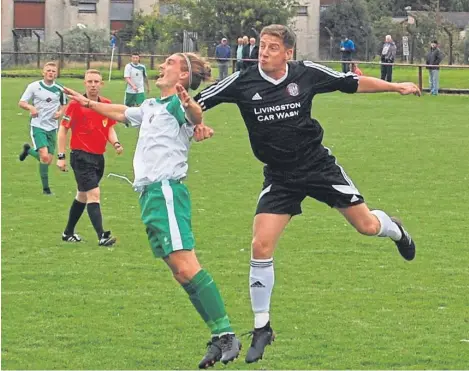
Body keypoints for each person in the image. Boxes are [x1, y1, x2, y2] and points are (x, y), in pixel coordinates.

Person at [194, 24, 419, 363]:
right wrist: (196, 121)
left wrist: (396, 86)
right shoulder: (243, 81)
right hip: (281, 177)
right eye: (262, 46)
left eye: (272, 47)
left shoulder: (306, 73)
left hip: (317, 167)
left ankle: (396, 229)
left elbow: (352, 83)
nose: (264, 52)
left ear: (288, 53)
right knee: (260, 245)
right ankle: (262, 326)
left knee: (367, 227)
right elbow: (198, 102)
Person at [63, 53, 241, 369]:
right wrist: (89, 104)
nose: (161, 66)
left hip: (166, 192)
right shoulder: (151, 107)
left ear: (183, 75)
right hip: (149, 196)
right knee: (178, 270)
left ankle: (226, 332)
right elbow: (120, 111)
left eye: (169, 63)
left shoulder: (177, 105)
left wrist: (190, 105)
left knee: (187, 265)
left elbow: (196, 116)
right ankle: (217, 335)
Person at [57, 69, 120, 246]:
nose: (93, 85)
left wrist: (116, 143)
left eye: (96, 82)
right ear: (85, 83)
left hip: (98, 157)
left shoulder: (105, 104)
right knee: (94, 193)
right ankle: (102, 235)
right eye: (90, 81)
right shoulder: (75, 105)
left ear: (101, 84)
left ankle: (68, 232)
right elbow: (63, 129)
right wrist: (61, 156)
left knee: (82, 195)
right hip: (80, 156)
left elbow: (109, 128)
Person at [18, 62, 67, 195]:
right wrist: (31, 107)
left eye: (53, 71)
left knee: (47, 160)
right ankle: (46, 189)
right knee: (44, 157)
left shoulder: (60, 88)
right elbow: (22, 102)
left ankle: (28, 151)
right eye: (48, 70)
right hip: (38, 125)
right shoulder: (34, 86)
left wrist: (60, 112)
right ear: (43, 72)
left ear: (56, 73)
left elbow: (64, 104)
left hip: (52, 127)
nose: (51, 73)